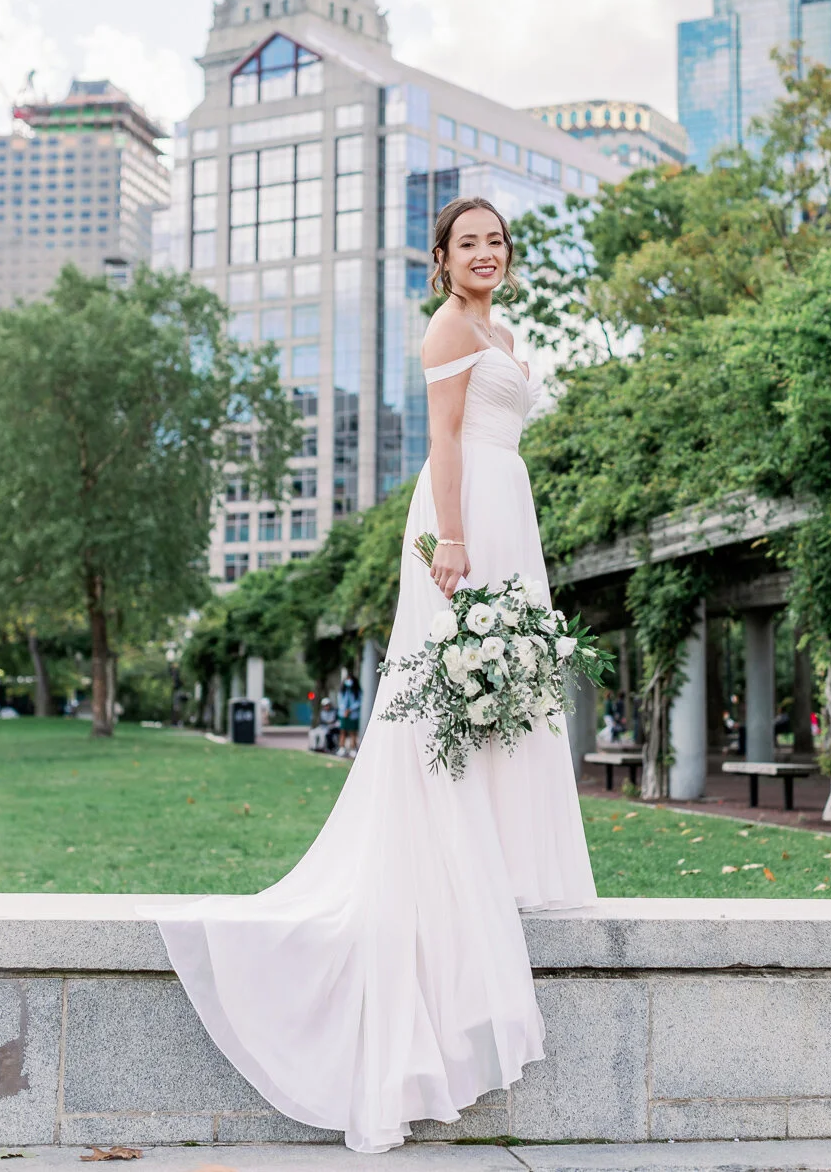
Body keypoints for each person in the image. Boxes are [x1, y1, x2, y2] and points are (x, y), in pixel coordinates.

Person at [143, 197, 596, 1153]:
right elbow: (443, 439)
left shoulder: (500, 327)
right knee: (450, 689)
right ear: (442, 258)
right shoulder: (444, 326)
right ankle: (452, 854)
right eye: (470, 242)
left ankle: (509, 857)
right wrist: (456, 540)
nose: (487, 253)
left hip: (510, 506)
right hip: (463, 514)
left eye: (498, 241)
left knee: (506, 692)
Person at [337, 673, 362, 757]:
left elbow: (359, 702)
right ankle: (342, 748)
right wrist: (345, 710)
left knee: (352, 732)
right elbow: (340, 702)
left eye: (349, 679)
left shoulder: (357, 691)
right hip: (343, 714)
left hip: (353, 714)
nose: (348, 681)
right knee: (343, 731)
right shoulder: (342, 690)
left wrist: (350, 709)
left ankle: (353, 748)